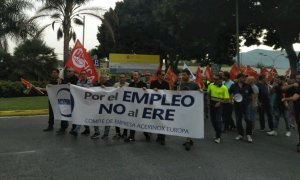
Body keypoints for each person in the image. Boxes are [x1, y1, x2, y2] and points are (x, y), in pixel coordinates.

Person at [177, 69, 202, 150]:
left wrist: (200, 91)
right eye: (182, 75)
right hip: (183, 108)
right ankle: (189, 139)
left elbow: (199, 92)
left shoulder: (194, 84)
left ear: (188, 75)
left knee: (189, 123)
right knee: (185, 123)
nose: (182, 76)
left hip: (192, 109)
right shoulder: (181, 84)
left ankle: (188, 140)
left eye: (184, 75)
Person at [124, 71, 149, 143]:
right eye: (133, 75)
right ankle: (131, 137)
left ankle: (146, 134)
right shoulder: (131, 84)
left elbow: (147, 94)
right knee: (132, 121)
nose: (134, 76)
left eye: (136, 75)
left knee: (142, 122)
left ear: (139, 76)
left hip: (141, 107)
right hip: (132, 107)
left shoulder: (143, 84)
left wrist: (145, 89)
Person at [229, 73, 254, 143]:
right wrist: (231, 99)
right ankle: (240, 134)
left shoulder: (248, 86)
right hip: (237, 106)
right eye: (243, 77)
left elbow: (252, 94)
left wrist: (253, 103)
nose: (244, 79)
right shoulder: (233, 86)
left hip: (246, 105)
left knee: (248, 119)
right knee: (238, 120)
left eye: (245, 77)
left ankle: (248, 135)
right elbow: (229, 93)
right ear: (239, 78)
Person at [207, 74, 230, 144]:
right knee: (212, 120)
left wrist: (220, 102)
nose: (215, 81)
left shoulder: (224, 88)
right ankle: (217, 132)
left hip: (219, 106)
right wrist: (208, 100)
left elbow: (227, 99)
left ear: (220, 80)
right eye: (214, 79)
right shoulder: (211, 85)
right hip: (211, 105)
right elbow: (208, 93)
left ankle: (218, 136)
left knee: (218, 120)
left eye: (216, 79)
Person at [69, 70, 92, 136]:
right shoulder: (78, 81)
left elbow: (90, 90)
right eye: (81, 74)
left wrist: (82, 88)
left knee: (82, 115)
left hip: (87, 102)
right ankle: (87, 129)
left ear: (86, 75)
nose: (83, 75)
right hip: (79, 101)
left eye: (84, 74)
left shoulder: (89, 82)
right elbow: (76, 89)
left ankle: (76, 130)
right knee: (82, 115)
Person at [56, 67, 78, 135]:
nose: (68, 72)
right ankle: (63, 127)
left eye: (69, 71)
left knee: (74, 113)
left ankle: (74, 128)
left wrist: (72, 85)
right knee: (64, 112)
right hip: (66, 98)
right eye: (67, 71)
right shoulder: (65, 78)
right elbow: (61, 86)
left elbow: (79, 87)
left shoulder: (76, 79)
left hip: (74, 98)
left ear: (73, 72)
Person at [90, 74, 113, 140]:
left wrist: (105, 88)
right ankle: (97, 133)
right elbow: (92, 92)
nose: (103, 79)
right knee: (95, 118)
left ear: (106, 79)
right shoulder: (96, 84)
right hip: (97, 105)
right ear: (100, 78)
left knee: (107, 120)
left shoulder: (109, 85)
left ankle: (106, 134)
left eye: (105, 78)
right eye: (102, 78)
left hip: (107, 105)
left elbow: (112, 92)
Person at [150, 70, 170, 145]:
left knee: (163, 121)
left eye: (163, 75)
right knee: (157, 121)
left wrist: (166, 91)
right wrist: (153, 90)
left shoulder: (166, 83)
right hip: (156, 104)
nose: (163, 76)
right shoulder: (153, 83)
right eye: (161, 74)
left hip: (164, 105)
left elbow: (169, 93)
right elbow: (150, 92)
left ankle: (162, 138)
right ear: (158, 75)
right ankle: (159, 136)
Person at [282, 73, 300, 150]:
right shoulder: (296, 86)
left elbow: (294, 98)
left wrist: (285, 99)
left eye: (299, 78)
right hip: (297, 109)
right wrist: (292, 85)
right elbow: (283, 88)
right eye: (297, 78)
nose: (298, 79)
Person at [110, 73, 130, 140]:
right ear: (119, 78)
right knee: (116, 119)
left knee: (126, 119)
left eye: (123, 77)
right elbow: (111, 92)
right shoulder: (116, 85)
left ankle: (125, 133)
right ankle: (118, 133)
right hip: (117, 105)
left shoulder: (128, 85)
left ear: (125, 78)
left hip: (126, 105)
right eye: (121, 77)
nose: (122, 78)